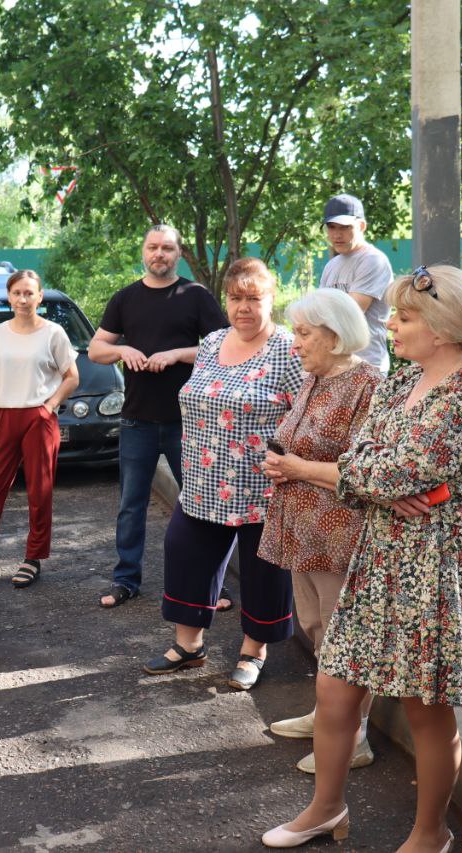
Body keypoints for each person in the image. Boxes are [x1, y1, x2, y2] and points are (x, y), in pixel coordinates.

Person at [261, 265, 462, 851]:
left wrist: (382, 478)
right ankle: (325, 809)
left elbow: (381, 469)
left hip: (436, 562)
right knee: (334, 687)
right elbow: (365, 460)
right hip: (380, 550)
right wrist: (382, 480)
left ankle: (430, 833)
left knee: (425, 709)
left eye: (405, 315)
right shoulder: (401, 382)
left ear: (442, 328)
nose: (390, 323)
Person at [142, 257, 304, 690]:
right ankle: (188, 647)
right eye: (235, 298)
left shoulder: (289, 350)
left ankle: (254, 652)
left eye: (254, 298)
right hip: (202, 482)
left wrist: (295, 464)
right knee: (185, 555)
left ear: (271, 300)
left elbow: (307, 415)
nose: (243, 308)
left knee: (262, 572)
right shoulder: (212, 342)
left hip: (262, 488)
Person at [258, 288, 383, 772]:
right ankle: (326, 717)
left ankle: (354, 739)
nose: (296, 343)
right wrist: (283, 463)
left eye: (305, 334)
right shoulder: (315, 378)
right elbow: (302, 444)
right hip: (303, 528)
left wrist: (296, 467)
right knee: (315, 627)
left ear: (334, 335)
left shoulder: (367, 384)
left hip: (339, 534)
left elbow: (364, 469)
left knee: (342, 634)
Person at [89, 224, 228, 609]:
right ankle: (125, 580)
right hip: (137, 421)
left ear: (178, 254)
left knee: (202, 503)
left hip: (189, 421)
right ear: (143, 252)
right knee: (130, 505)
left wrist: (178, 354)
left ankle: (213, 584)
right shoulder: (125, 298)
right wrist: (123, 351)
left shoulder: (196, 296)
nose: (160, 254)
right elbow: (96, 349)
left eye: (167, 248)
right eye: (153, 247)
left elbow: (226, 350)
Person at [0, 269, 79, 588]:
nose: (23, 299)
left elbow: (72, 376)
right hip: (5, 418)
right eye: (17, 293)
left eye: (29, 293)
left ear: (39, 296)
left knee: (39, 491)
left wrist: (50, 407)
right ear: (9, 297)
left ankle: (33, 557)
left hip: (39, 418)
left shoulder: (53, 333)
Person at [319, 194, 393, 374]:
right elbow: (319, 313)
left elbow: (349, 314)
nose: (336, 234)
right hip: (336, 365)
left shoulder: (373, 260)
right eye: (331, 227)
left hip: (367, 367)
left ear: (361, 226)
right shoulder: (331, 265)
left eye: (345, 227)